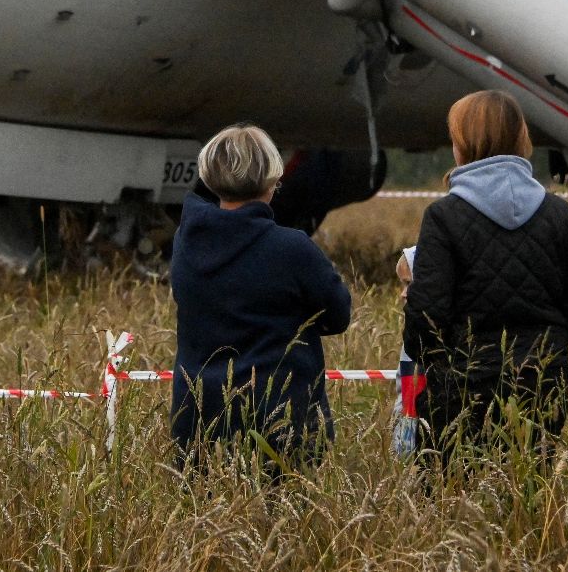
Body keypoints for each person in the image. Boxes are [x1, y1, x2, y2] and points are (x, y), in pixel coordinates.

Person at [404, 90, 568, 466]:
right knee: (529, 506)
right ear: (520, 137)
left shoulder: (443, 217)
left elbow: (426, 313)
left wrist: (443, 363)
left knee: (451, 504)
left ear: (462, 143)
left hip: (461, 388)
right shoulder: (558, 213)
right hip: (541, 383)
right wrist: (550, 344)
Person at [170, 123, 351, 468]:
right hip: (280, 424)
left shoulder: (186, 241)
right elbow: (338, 314)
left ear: (209, 176)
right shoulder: (292, 247)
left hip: (195, 422)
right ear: (273, 179)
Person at [392, 246, 426, 460]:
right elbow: (406, 398)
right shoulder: (412, 333)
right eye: (402, 284)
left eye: (409, 284)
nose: (403, 294)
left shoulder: (427, 336)